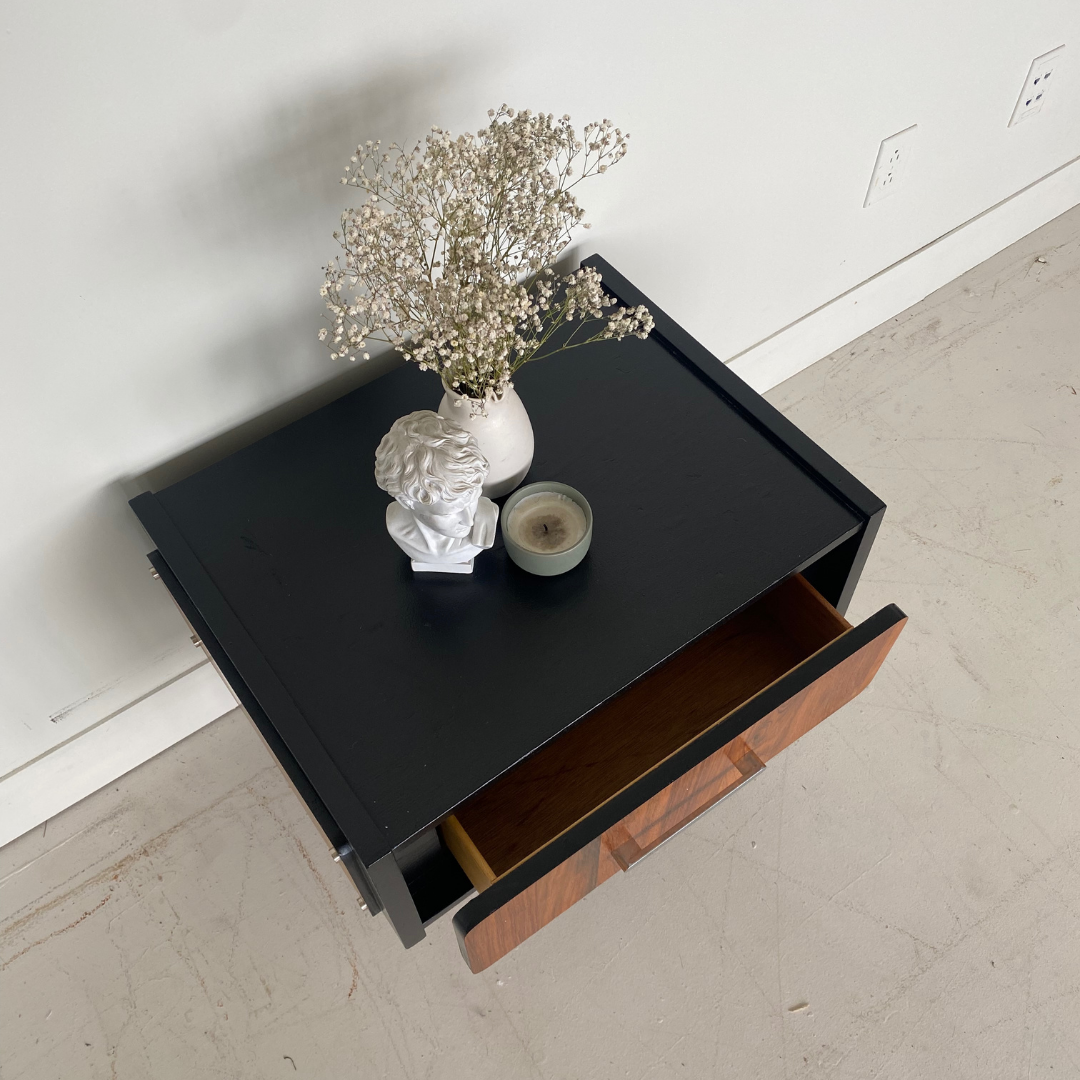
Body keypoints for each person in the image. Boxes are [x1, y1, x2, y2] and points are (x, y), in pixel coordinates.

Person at [374, 411, 499, 572]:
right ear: (406, 501)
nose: (469, 521)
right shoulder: (397, 526)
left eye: (473, 498)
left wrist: (484, 506)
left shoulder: (482, 517)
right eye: (448, 514)